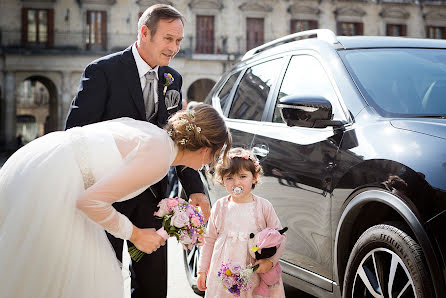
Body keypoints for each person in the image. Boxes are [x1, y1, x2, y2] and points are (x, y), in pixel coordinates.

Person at [0, 104, 231, 298]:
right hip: (56, 186)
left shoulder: (155, 135)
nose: (212, 162)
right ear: (204, 149)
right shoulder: (159, 158)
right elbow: (90, 202)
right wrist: (137, 235)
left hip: (43, 162)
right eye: (216, 154)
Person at [64, 4, 210, 297]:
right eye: (168, 39)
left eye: (179, 41)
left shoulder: (173, 80)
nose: (174, 48)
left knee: (153, 285)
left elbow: (175, 142)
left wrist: (195, 189)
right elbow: (75, 135)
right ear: (145, 32)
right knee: (102, 280)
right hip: (107, 200)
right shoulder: (103, 72)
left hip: (152, 201)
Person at [197, 148, 286, 297]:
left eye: (243, 176)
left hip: (253, 271)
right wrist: (202, 270)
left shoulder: (263, 206)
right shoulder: (220, 206)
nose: (236, 182)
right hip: (224, 272)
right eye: (229, 178)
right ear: (222, 180)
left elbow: (280, 237)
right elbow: (210, 239)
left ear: (254, 177)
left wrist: (270, 262)